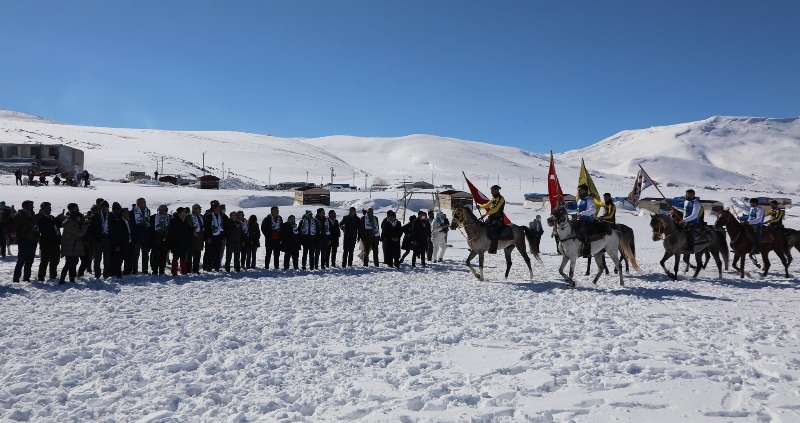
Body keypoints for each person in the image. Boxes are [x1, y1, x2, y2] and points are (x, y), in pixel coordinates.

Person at [37, 202, 64, 282]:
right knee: (44, 261)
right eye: (48, 208)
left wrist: (60, 220)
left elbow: (57, 225)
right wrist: (57, 219)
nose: (49, 210)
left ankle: (53, 274)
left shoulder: (51, 217)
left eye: (50, 208)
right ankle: (41, 277)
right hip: (46, 242)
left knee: (55, 260)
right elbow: (46, 227)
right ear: (43, 209)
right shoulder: (40, 218)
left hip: (55, 242)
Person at [13, 200, 39, 282]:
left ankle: (26, 277)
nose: (32, 207)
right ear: (25, 206)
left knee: (30, 260)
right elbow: (30, 223)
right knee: (21, 260)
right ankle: (16, 278)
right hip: (24, 239)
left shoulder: (32, 214)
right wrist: (39, 215)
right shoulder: (20, 214)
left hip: (32, 239)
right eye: (30, 205)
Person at [59, 212, 88, 284]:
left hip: (72, 246)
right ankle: (62, 280)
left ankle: (71, 279)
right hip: (70, 247)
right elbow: (80, 234)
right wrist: (85, 227)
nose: (80, 218)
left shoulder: (71, 223)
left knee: (72, 264)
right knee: (68, 264)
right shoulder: (71, 225)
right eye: (79, 217)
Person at [478, 185, 506, 254]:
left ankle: (493, 248)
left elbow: (495, 209)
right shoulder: (493, 199)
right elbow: (487, 205)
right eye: (491, 191)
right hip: (491, 218)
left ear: (497, 190)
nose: (491, 192)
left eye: (492, 191)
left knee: (493, 231)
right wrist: (480, 206)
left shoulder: (501, 199)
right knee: (481, 227)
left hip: (498, 219)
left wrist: (485, 214)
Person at [90, 201, 114, 279]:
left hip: (108, 239)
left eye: (106, 207)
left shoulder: (111, 216)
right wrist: (95, 238)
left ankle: (106, 274)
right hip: (98, 240)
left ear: (108, 207)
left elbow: (114, 228)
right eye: (103, 207)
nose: (104, 208)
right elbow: (92, 229)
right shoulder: (96, 216)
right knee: (97, 258)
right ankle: (97, 273)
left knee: (107, 258)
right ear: (100, 207)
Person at [574, 184, 598, 257]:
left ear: (585, 190)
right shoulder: (579, 200)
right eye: (579, 190)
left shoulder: (589, 200)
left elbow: (593, 210)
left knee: (583, 232)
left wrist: (582, 213)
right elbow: (576, 209)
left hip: (588, 221)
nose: (579, 191)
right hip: (580, 221)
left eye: (580, 189)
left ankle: (587, 250)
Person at [169, 207, 193, 275]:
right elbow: (172, 233)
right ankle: (174, 271)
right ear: (180, 212)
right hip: (176, 243)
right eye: (184, 211)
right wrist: (173, 243)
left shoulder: (185, 220)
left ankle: (183, 271)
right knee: (175, 257)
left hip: (184, 242)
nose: (186, 213)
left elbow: (187, 230)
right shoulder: (174, 220)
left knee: (183, 257)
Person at [131, 198, 152, 275]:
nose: (143, 204)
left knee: (145, 254)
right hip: (137, 236)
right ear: (138, 203)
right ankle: (134, 270)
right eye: (141, 203)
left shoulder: (148, 211)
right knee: (136, 254)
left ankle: (145, 269)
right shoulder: (133, 211)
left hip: (146, 236)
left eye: (144, 202)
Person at [204, 201, 225, 272]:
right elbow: (207, 228)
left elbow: (222, 227)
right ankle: (209, 267)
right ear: (215, 208)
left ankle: (217, 267)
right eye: (219, 207)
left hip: (218, 237)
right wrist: (208, 237)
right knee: (210, 253)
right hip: (211, 237)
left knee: (217, 253)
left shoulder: (220, 216)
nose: (220, 208)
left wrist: (222, 237)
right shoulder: (209, 216)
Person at [150, 205, 170, 275]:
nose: (166, 211)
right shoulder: (153, 217)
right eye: (165, 209)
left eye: (167, 209)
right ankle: (154, 270)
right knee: (155, 256)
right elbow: (150, 230)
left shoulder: (169, 217)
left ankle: (162, 269)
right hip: (156, 240)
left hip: (165, 240)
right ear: (160, 210)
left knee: (163, 256)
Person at [114, 207, 135, 276]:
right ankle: (118, 272)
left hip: (130, 242)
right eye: (126, 212)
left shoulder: (130, 221)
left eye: (128, 212)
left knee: (129, 258)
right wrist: (117, 245)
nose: (128, 213)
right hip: (121, 243)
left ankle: (127, 271)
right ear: (122, 213)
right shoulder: (118, 222)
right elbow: (116, 234)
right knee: (119, 259)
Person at [187, 204, 205, 273]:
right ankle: (188, 269)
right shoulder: (189, 217)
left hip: (200, 238)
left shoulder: (201, 216)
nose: (200, 209)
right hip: (192, 238)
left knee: (198, 254)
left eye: (200, 208)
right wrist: (192, 231)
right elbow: (188, 226)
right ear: (194, 209)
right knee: (189, 255)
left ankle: (196, 269)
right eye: (198, 208)